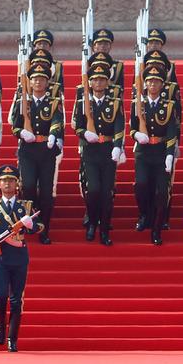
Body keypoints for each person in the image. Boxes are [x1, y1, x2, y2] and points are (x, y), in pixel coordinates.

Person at [0, 165, 42, 352]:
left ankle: (12, 337)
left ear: (16, 184)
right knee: (1, 296)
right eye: (4, 181)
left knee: (17, 299)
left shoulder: (25, 206)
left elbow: (40, 226)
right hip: (0, 256)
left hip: (19, 257)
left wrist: (31, 225)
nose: (8, 184)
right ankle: (1, 324)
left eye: (11, 180)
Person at [9, 58, 62, 244]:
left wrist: (53, 134)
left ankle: (44, 229)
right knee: (29, 187)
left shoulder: (54, 102)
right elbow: (15, 126)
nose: (38, 82)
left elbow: (57, 120)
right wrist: (21, 132)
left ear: (47, 82)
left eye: (42, 79)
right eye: (35, 79)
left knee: (46, 192)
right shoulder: (23, 102)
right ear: (29, 82)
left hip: (46, 151)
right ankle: (30, 223)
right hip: (28, 152)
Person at [74, 57, 125, 246]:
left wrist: (118, 146)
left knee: (106, 193)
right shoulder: (83, 102)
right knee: (94, 190)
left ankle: (104, 230)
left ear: (107, 82)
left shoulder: (115, 102)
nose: (98, 83)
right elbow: (77, 126)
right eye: (95, 79)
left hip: (108, 151)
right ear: (90, 82)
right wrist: (84, 133)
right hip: (90, 151)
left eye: (102, 79)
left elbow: (119, 126)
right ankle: (92, 222)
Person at [131, 58, 182, 245]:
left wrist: (169, 154)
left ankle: (157, 229)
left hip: (161, 152)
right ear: (145, 84)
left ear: (162, 85)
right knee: (141, 185)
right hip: (143, 152)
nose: (153, 84)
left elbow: (171, 131)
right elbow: (132, 127)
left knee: (162, 192)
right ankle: (144, 214)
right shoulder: (138, 104)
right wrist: (136, 135)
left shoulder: (169, 105)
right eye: (150, 81)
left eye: (156, 81)